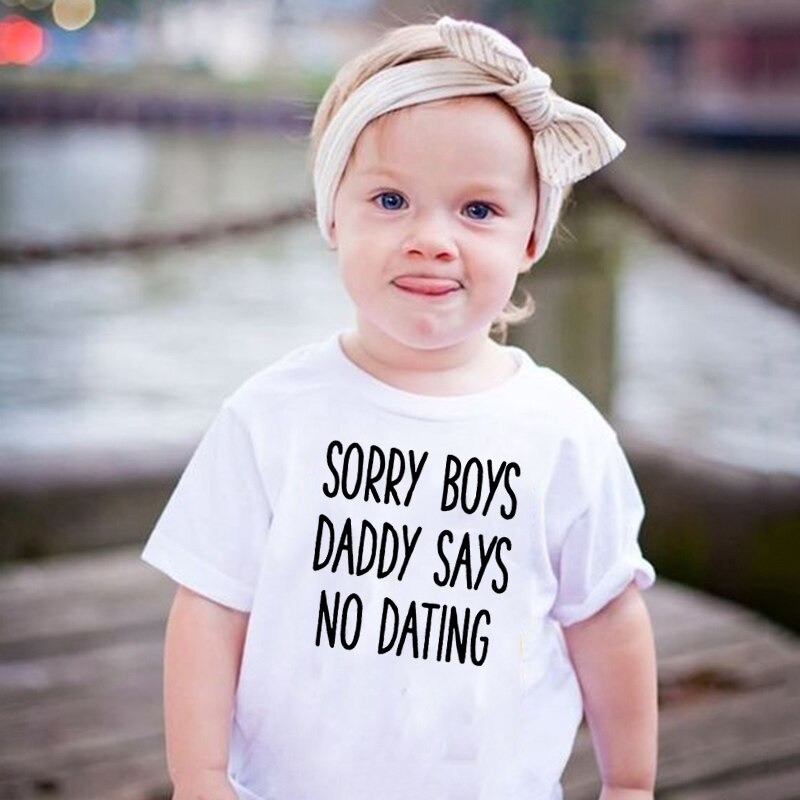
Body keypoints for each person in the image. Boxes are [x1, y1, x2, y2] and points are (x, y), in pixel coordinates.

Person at [140, 15, 658, 800]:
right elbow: (211, 609)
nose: (431, 239)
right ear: (333, 215)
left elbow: (608, 618)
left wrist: (629, 785)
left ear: (531, 239)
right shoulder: (272, 416)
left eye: (478, 210)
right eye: (390, 199)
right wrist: (201, 778)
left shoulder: (562, 435)